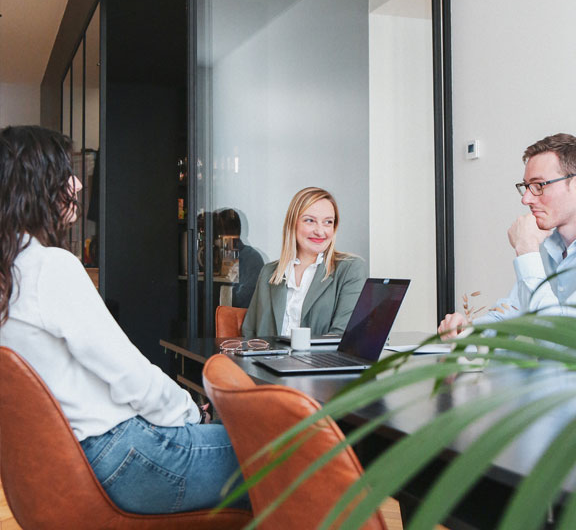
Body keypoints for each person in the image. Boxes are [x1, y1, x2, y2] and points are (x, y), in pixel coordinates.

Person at [0, 126, 247, 514]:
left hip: (75, 458)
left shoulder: (10, 273)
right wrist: (187, 410)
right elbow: (127, 372)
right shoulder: (49, 266)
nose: (78, 184)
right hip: (123, 458)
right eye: (66, 173)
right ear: (36, 184)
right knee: (291, 455)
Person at [438, 133, 576, 338]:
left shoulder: (534, 249)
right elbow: (511, 314)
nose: (526, 199)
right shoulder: (548, 247)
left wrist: (527, 250)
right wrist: (466, 331)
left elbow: (560, 338)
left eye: (539, 185)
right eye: (526, 187)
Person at [242, 186, 367, 338]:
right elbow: (249, 332)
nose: (320, 231)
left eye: (328, 222)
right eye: (310, 221)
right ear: (292, 223)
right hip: (266, 360)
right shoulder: (269, 272)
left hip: (320, 362)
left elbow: (343, 337)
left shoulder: (350, 269)